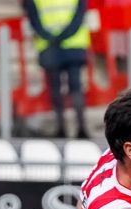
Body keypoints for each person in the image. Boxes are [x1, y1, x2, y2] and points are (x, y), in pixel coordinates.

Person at [23, 0, 90, 139]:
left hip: (50, 45)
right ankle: (80, 128)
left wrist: (51, 37)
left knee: (57, 88)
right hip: (71, 43)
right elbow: (80, 14)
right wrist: (64, 35)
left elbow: (33, 17)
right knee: (73, 87)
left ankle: (63, 129)